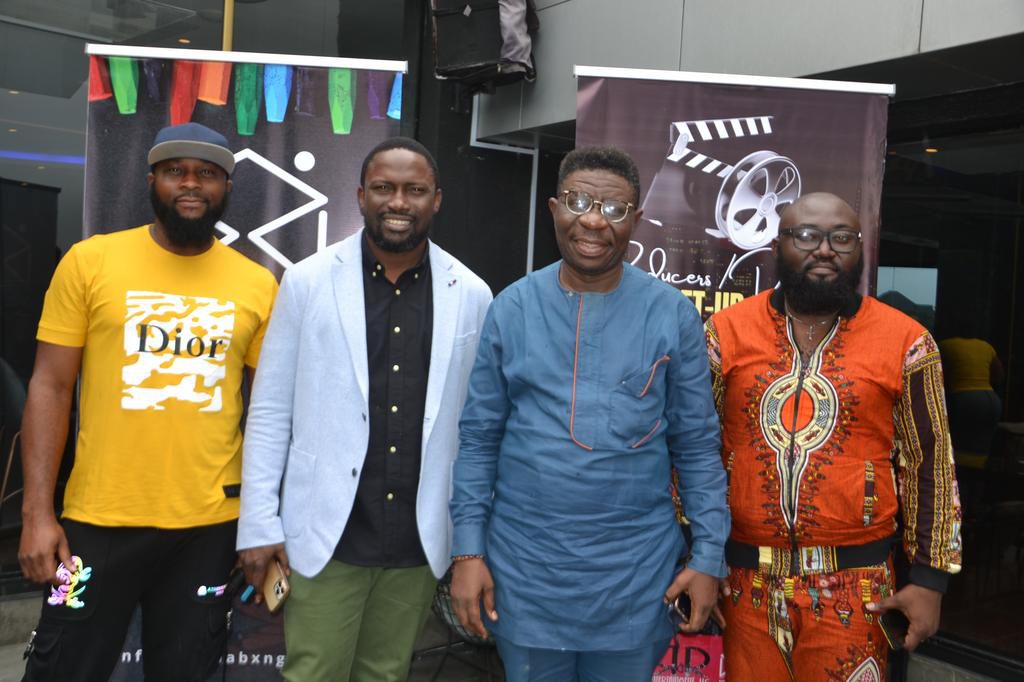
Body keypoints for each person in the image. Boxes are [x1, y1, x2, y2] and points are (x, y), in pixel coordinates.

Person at [449, 146, 729, 681]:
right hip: (526, 572)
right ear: (554, 208)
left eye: (615, 209)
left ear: (637, 221)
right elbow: (480, 439)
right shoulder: (512, 307)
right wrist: (467, 553)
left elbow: (696, 447)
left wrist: (707, 559)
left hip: (635, 579)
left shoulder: (671, 315)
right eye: (578, 202)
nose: (594, 221)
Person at [18, 122, 278, 681]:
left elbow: (270, 412)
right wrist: (37, 513)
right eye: (175, 171)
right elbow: (50, 386)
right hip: (93, 523)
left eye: (207, 173)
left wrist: (263, 522)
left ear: (227, 188)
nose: (191, 184)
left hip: (209, 530)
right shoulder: (91, 262)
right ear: (151, 180)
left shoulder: (258, 285)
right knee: (60, 667)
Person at [236, 137, 492, 682]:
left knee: (385, 674)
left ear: (437, 200)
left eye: (414, 190)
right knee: (314, 673)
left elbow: (476, 428)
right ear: (359, 195)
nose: (398, 202)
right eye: (384, 188)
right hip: (328, 532)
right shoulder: (307, 281)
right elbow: (269, 411)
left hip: (417, 537)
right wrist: (258, 522)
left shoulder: (471, 293)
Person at [705, 192, 962, 681]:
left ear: (859, 250)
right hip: (743, 583)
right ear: (777, 246)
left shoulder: (907, 342)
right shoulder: (725, 334)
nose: (824, 249)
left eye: (842, 238)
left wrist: (929, 580)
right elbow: (695, 451)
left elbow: (931, 465)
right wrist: (696, 554)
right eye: (806, 235)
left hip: (858, 589)